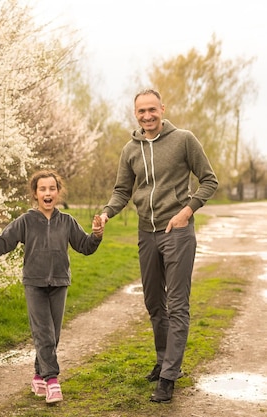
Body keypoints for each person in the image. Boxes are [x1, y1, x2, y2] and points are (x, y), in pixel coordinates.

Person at [99, 89, 219, 403]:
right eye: (142, 111)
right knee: (154, 302)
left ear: (162, 109)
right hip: (146, 232)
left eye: (153, 110)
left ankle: (168, 377)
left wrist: (187, 211)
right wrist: (106, 213)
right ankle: (164, 359)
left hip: (177, 230)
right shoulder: (130, 149)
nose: (148, 116)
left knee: (177, 305)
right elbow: (122, 191)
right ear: (135, 114)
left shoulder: (184, 140)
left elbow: (209, 180)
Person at [0, 169, 104, 404]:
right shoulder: (26, 221)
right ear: (35, 194)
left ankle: (38, 374)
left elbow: (85, 246)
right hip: (34, 284)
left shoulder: (67, 221)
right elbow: (2, 242)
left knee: (53, 335)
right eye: (42, 189)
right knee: (43, 332)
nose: (48, 193)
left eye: (52, 189)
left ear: (58, 192)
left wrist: (96, 235)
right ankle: (52, 380)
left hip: (59, 283)